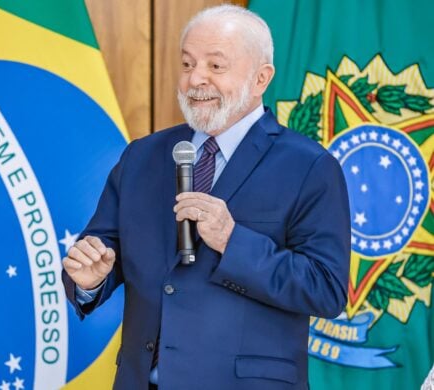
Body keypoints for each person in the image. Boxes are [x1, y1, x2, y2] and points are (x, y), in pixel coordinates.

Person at [62, 4, 350, 390]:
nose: (195, 78)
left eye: (216, 66)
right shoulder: (142, 156)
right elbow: (104, 250)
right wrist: (90, 279)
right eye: (186, 63)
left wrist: (233, 242)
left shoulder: (311, 167)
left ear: (261, 78)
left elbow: (326, 289)